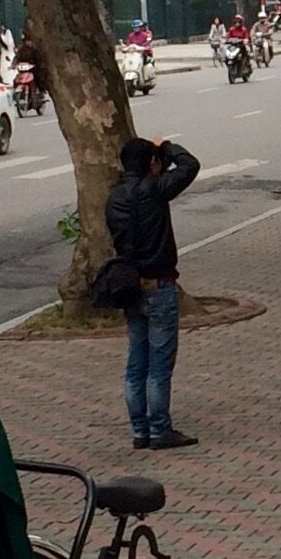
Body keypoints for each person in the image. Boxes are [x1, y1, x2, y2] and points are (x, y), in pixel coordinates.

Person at [105, 136, 201, 452]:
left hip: (130, 286)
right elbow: (190, 166)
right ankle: (160, 429)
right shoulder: (155, 191)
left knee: (137, 361)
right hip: (160, 284)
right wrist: (168, 145)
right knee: (159, 364)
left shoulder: (114, 198)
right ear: (152, 164)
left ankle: (140, 430)